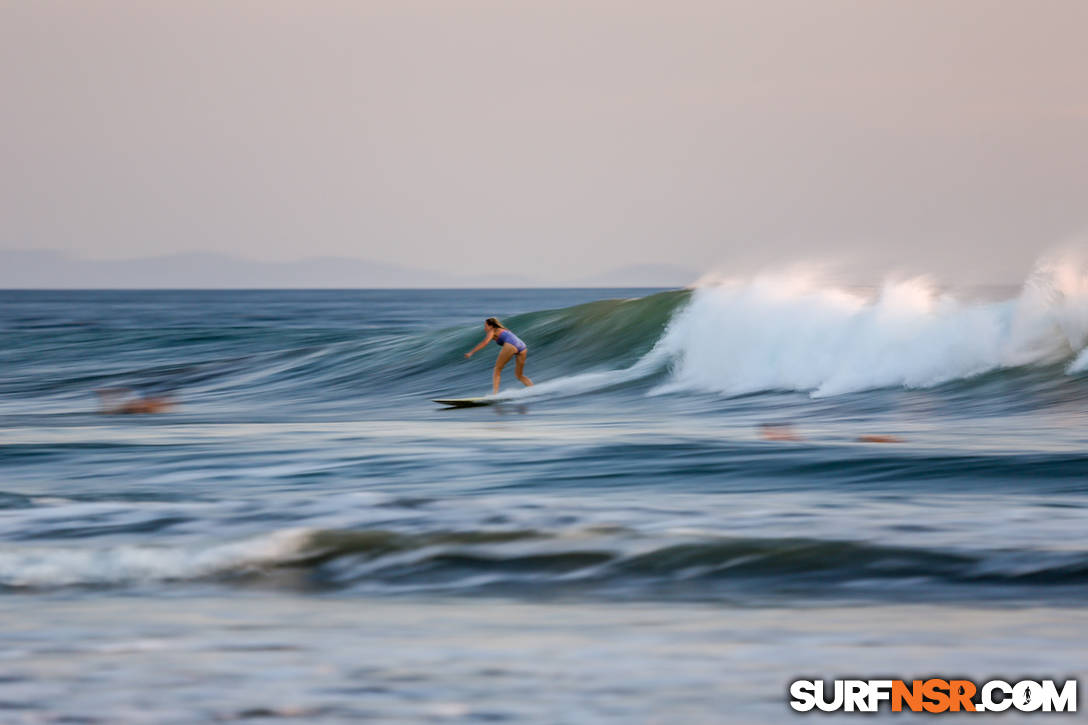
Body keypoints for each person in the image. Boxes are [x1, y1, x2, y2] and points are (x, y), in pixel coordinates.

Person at [464, 317, 534, 394]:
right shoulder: (503, 329)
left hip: (511, 344)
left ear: (491, 326)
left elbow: (485, 342)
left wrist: (471, 352)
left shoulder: (492, 330)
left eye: (485, 326)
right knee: (519, 375)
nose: (484, 328)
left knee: (497, 369)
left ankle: (495, 394)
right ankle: (533, 390)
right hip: (522, 346)